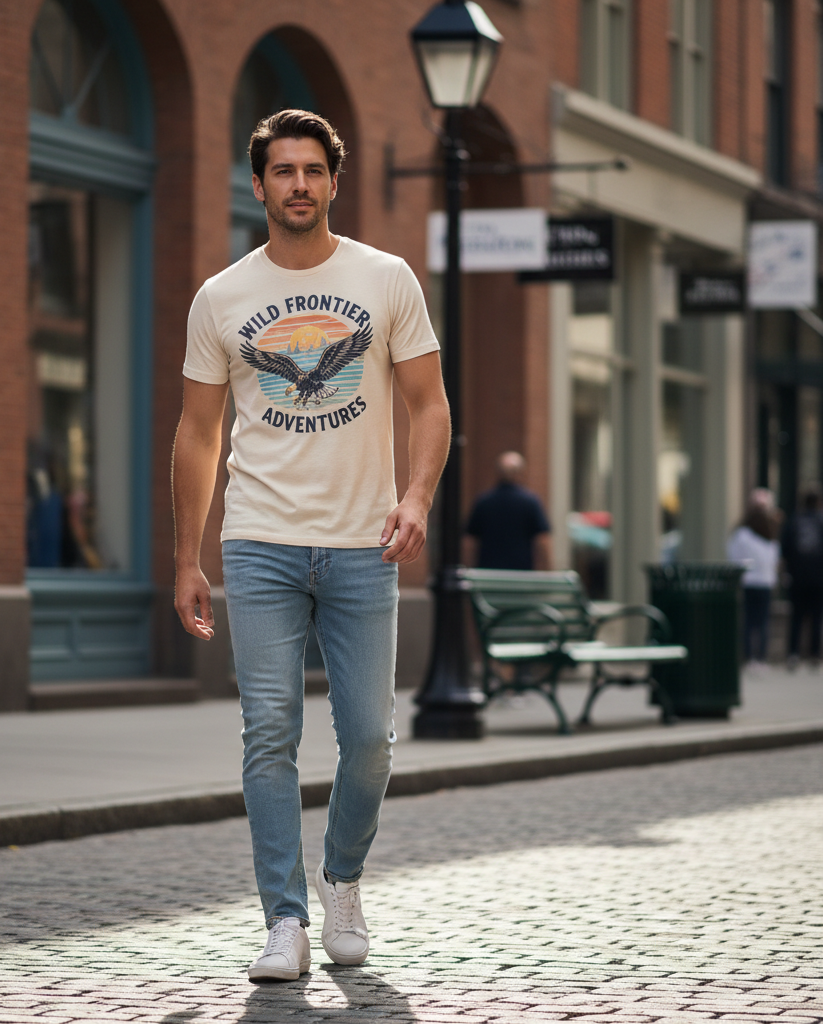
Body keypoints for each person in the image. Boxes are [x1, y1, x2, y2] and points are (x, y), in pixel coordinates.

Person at [173, 110, 450, 981]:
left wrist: (415, 495)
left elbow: (430, 405)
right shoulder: (221, 297)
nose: (297, 184)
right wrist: (189, 554)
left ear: (335, 181)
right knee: (270, 734)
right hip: (259, 542)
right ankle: (283, 920)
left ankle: (342, 878)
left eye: (311, 171)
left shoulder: (387, 278)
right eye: (281, 171)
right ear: (257, 185)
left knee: (370, 737)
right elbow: (195, 433)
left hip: (365, 543)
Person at [465, 451, 551, 570]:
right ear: (521, 473)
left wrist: (468, 567)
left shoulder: (483, 501)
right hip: (521, 572)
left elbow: (470, 540)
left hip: (488, 572)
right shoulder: (530, 502)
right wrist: (548, 568)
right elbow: (542, 539)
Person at [726, 489, 781, 666]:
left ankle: (750, 657)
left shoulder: (742, 534)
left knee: (749, 621)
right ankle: (760, 658)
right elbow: (775, 558)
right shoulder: (770, 533)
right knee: (762, 621)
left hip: (749, 582)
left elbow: (733, 556)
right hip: (764, 582)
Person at [781, 485, 823, 669]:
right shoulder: (821, 522)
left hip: (797, 578)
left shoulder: (794, 521)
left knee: (796, 617)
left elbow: (785, 549)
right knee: (816, 617)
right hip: (818, 578)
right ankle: (814, 654)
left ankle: (793, 653)